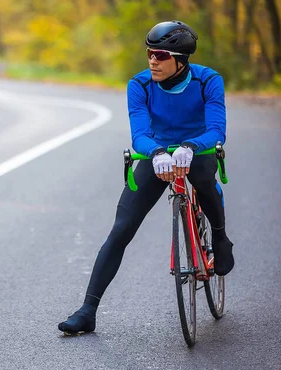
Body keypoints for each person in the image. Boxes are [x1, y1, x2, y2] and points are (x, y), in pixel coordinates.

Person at [58, 20, 235, 334]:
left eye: (161, 55)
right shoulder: (139, 85)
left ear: (181, 60)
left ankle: (219, 238)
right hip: (157, 155)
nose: (153, 60)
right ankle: (87, 310)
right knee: (121, 227)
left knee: (206, 180)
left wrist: (193, 146)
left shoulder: (208, 80)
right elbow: (139, 133)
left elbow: (216, 130)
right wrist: (156, 153)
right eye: (150, 53)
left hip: (197, 152)